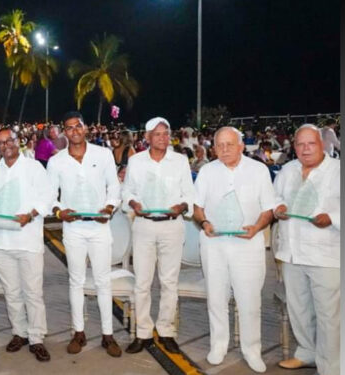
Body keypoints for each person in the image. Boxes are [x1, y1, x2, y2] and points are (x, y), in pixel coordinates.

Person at [193, 126, 276, 373]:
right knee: (216, 297)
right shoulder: (207, 171)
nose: (225, 149)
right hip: (214, 244)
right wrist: (205, 223)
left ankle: (252, 350)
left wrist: (257, 227)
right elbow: (197, 207)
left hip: (248, 244)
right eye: (219, 145)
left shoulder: (258, 170)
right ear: (213, 147)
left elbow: (269, 209)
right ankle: (218, 345)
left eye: (230, 144)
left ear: (242, 145)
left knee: (249, 299)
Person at [47, 111, 122, 358]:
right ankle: (78, 333)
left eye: (78, 126)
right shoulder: (56, 161)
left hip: (100, 226)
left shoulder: (103, 154)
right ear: (64, 133)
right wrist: (59, 212)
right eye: (68, 128)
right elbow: (50, 196)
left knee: (102, 281)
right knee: (76, 281)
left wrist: (110, 208)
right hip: (74, 228)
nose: (74, 131)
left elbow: (114, 187)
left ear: (85, 127)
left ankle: (107, 335)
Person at [121, 117, 195, 354]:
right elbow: (128, 192)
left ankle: (166, 331)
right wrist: (134, 202)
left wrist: (181, 206)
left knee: (169, 282)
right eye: (158, 134)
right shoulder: (136, 161)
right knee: (142, 282)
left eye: (166, 133)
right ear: (148, 137)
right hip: (144, 225)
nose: (163, 138)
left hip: (172, 226)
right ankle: (143, 332)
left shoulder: (180, 161)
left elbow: (189, 194)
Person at [273, 124, 340, 374]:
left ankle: (331, 367)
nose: (305, 149)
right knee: (298, 309)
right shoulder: (288, 170)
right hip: (292, 252)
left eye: (310, 143)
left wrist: (331, 218)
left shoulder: (337, 170)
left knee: (328, 316)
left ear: (322, 145)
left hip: (326, 254)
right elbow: (275, 196)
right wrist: (278, 208)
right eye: (300, 144)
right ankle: (306, 353)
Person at [0, 128, 55, 362]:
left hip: (28, 240)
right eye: (1, 142)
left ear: (19, 142)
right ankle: (19, 332)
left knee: (33, 293)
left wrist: (31, 213)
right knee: (12, 292)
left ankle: (36, 337)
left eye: (10, 140)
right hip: (2, 241)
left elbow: (47, 197)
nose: (6, 145)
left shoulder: (34, 167)